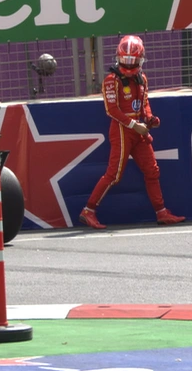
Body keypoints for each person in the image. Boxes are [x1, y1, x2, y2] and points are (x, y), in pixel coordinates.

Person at [79, 35, 185, 230]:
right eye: (125, 60)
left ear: (140, 60)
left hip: (139, 132)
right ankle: (88, 210)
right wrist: (134, 125)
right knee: (114, 174)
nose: (128, 65)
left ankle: (161, 212)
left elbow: (144, 103)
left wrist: (150, 118)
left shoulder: (142, 79)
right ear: (118, 58)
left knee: (152, 170)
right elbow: (112, 110)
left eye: (132, 60)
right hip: (121, 131)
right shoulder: (111, 80)